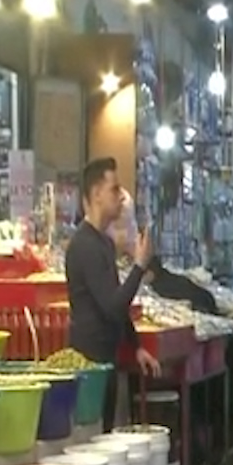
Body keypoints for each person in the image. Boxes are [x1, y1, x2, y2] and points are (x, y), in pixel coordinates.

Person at [66, 157, 160, 432]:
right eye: (114, 189)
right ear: (96, 194)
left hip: (108, 358)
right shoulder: (84, 246)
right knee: (94, 436)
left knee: (107, 431)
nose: (121, 197)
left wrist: (136, 345)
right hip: (89, 362)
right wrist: (139, 266)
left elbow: (117, 302)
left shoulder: (104, 243)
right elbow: (112, 305)